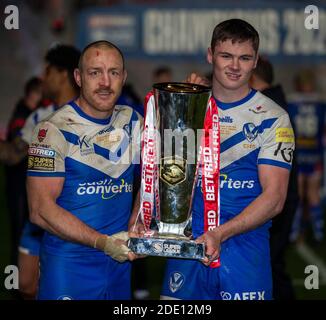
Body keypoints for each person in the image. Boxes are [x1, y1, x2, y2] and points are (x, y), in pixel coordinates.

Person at [160, 19, 294, 300]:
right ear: (210, 55)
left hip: (244, 251)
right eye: (226, 56)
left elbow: (275, 198)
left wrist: (220, 233)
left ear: (256, 60)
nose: (235, 66)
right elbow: (162, 176)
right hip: (187, 248)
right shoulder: (186, 106)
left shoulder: (273, 117)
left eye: (244, 58)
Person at [26, 40, 142, 300]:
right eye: (95, 73)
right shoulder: (52, 130)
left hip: (119, 264)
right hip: (69, 266)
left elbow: (164, 171)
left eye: (113, 72)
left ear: (123, 78)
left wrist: (139, 217)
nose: (105, 82)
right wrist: (102, 242)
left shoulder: (132, 120)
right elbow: (39, 210)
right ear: (78, 77)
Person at [17, 44, 81, 299]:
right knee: (26, 284)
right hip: (38, 214)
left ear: (63, 73)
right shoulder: (40, 116)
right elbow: (13, 153)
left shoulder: (87, 115)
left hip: (71, 215)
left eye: (48, 71)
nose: (43, 78)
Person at [250, 56, 298, 300]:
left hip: (278, 199)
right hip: (282, 197)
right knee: (271, 264)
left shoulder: (270, 108)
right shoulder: (276, 101)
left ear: (252, 76)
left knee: (271, 266)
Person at [2, 76, 42, 268]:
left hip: (24, 183)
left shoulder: (29, 113)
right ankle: (15, 284)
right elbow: (13, 152)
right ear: (35, 93)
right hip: (17, 184)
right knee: (19, 237)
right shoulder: (23, 116)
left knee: (26, 236)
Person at [287, 70, 325, 243]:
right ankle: (318, 232)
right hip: (314, 153)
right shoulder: (320, 103)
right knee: (313, 194)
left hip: (299, 154)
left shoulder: (292, 102)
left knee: (300, 193)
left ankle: (295, 232)